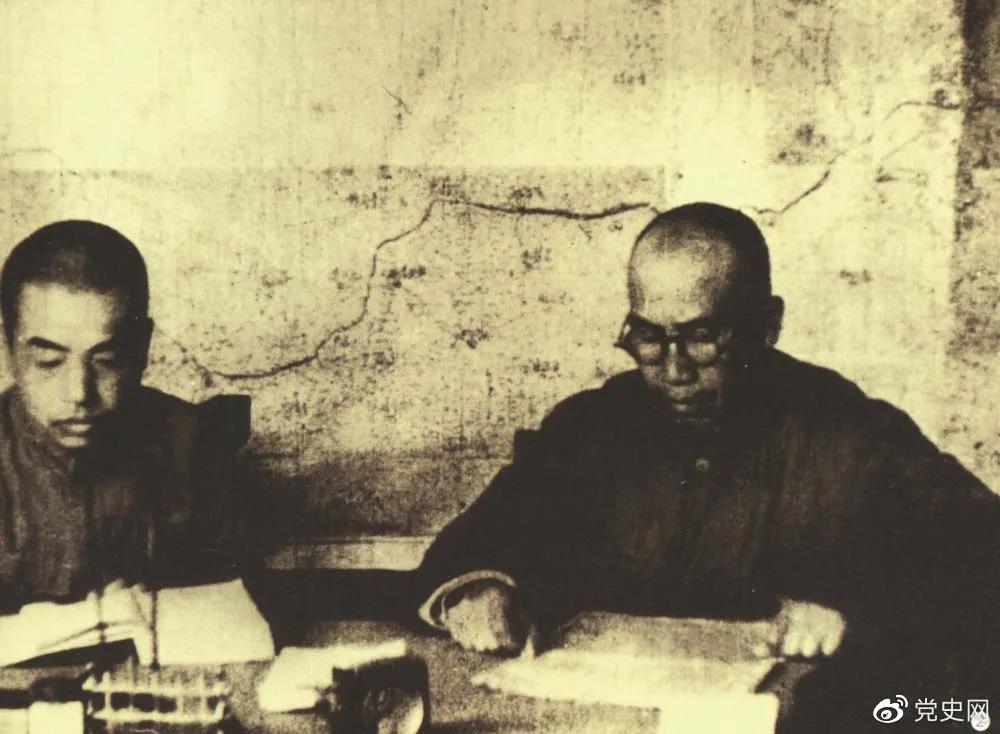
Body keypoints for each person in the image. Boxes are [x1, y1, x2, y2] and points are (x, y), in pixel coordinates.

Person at [415, 203, 999, 730]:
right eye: (649, 338)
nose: (674, 371)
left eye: (701, 338)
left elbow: (981, 555)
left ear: (767, 324)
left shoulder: (847, 429)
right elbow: (478, 540)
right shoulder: (590, 427)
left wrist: (856, 612)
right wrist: (478, 587)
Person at [0, 220, 252, 613]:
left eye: (106, 360)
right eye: (49, 361)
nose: (79, 393)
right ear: (9, 349)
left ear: (141, 347)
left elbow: (228, 608)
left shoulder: (192, 447)